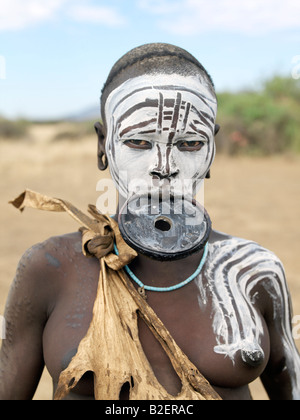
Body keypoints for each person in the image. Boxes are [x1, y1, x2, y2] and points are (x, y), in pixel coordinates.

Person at [1, 43, 300, 401]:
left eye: (189, 143)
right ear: (103, 144)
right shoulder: (50, 267)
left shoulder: (254, 270)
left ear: (212, 151)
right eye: (139, 141)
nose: (164, 166)